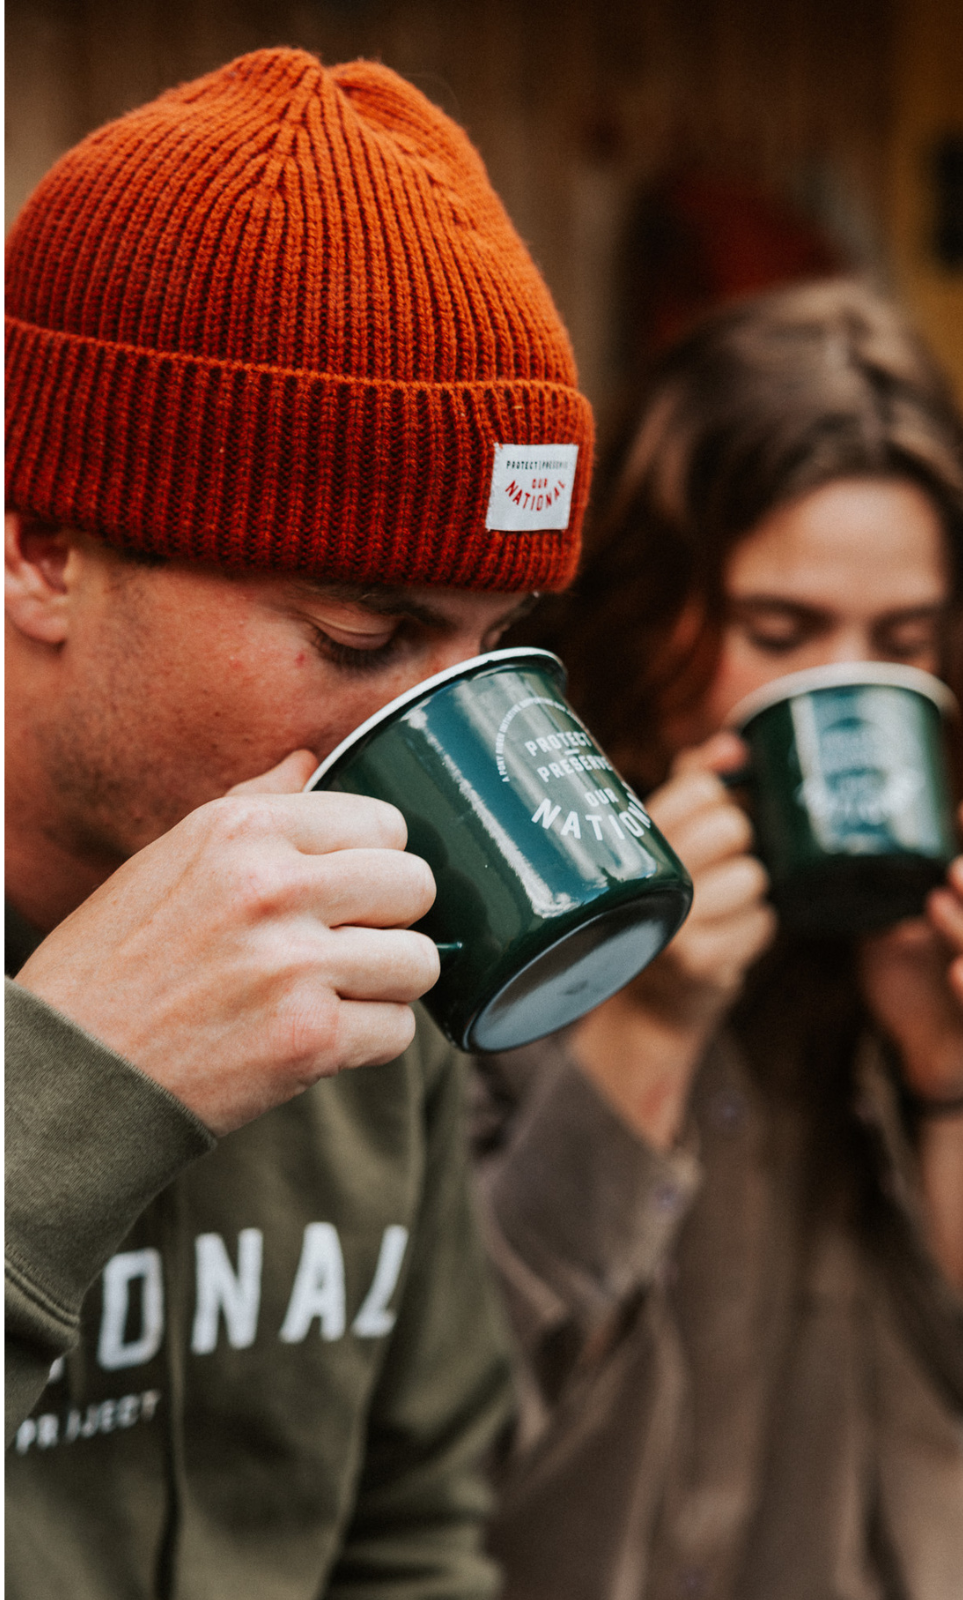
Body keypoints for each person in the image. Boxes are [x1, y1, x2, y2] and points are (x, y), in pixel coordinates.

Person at [4, 48, 594, 1597]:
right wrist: (66, 1089)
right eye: (363, 637)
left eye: (487, 648)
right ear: (44, 546)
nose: (432, 740)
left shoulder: (358, 955)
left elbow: (409, 1527)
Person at [474, 281, 963, 1600]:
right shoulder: (496, 885)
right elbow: (443, 1404)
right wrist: (640, 1028)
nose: (837, 686)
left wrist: (954, 1078)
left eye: (900, 641)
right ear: (658, 610)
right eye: (778, 634)